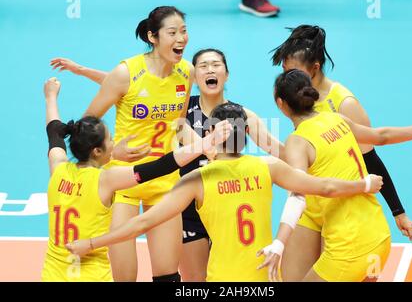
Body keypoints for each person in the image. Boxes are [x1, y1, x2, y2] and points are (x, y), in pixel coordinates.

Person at [66, 102, 384, 282]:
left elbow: (141, 225)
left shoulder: (196, 181)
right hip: (262, 282)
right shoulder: (269, 168)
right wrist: (364, 184)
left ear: (212, 135)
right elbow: (325, 186)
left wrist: (91, 243)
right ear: (247, 135)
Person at [51, 48, 285, 281]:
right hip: (185, 204)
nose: (210, 69)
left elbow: (275, 149)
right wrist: (82, 71)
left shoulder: (239, 115)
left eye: (216, 65)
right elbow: (130, 84)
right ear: (194, 77)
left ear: (227, 74)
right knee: (194, 279)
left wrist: (306, 153)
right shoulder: (179, 108)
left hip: (225, 206)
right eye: (203, 66)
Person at [51, 6, 203, 282]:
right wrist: (112, 154)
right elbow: (86, 126)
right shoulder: (126, 72)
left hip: (165, 180)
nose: (181, 38)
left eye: (184, 31)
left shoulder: (186, 72)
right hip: (124, 183)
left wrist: (204, 146)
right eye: (173, 32)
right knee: (124, 277)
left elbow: (179, 124)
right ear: (153, 37)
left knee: (168, 275)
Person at [41, 77, 232, 281]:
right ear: (97, 151)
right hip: (91, 275)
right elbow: (161, 166)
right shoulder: (106, 179)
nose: (114, 142)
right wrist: (206, 143)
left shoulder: (58, 167)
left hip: (54, 274)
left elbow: (54, 131)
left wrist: (50, 97)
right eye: (110, 140)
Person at [271, 25, 412, 279]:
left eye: (292, 72)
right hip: (333, 214)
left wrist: (396, 208)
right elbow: (380, 136)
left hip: (346, 224)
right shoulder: (333, 121)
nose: (288, 76)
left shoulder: (342, 106)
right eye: (285, 71)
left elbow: (372, 155)